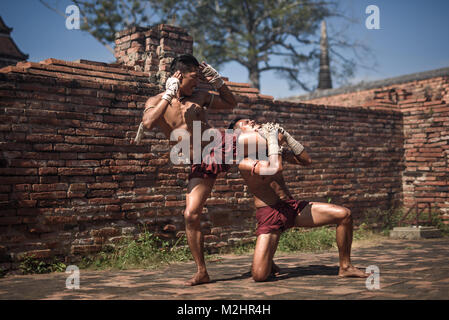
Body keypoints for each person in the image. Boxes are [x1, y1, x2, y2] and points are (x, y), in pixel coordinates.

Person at [138, 54, 237, 286]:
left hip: (220, 145)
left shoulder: (200, 95)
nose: (197, 83)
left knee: (255, 145)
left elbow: (231, 102)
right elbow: (148, 123)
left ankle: (279, 146)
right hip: (200, 162)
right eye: (194, 78)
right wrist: (169, 95)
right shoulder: (156, 101)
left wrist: (217, 81)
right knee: (190, 215)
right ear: (178, 76)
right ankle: (202, 271)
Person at [230, 119, 368, 282]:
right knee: (259, 276)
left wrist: (287, 137)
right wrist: (275, 142)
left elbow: (306, 160)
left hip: (292, 209)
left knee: (344, 215)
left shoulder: (271, 150)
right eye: (246, 122)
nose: (252, 121)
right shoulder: (245, 162)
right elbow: (275, 167)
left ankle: (345, 267)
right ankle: (268, 259)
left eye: (251, 119)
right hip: (270, 215)